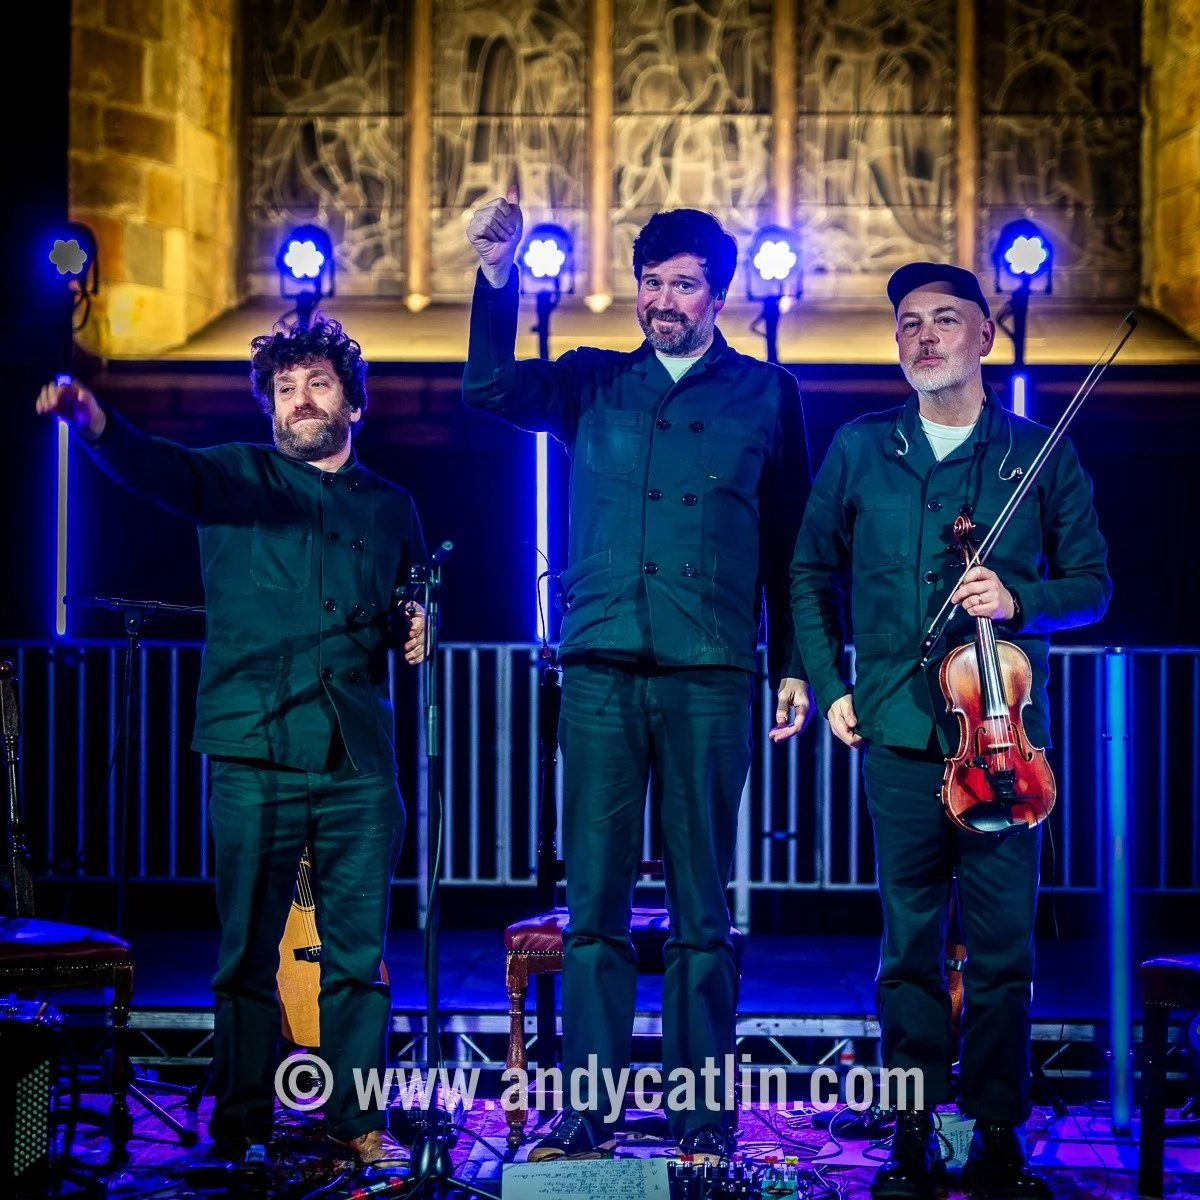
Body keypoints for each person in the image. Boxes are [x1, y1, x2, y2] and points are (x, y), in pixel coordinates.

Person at [463, 189, 813, 1161]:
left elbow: (791, 547)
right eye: (652, 282)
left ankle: (703, 1119)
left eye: (685, 285)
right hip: (602, 665)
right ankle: (586, 1111)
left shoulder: (769, 396)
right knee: (595, 907)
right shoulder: (588, 382)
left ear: (719, 294)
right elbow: (489, 391)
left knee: (704, 910)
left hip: (710, 671)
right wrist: (494, 279)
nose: (665, 300)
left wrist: (791, 666)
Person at [35, 317, 428, 1167]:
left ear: (352, 401)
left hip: (359, 759)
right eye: (285, 389)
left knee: (357, 961)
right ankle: (242, 1126)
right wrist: (92, 421)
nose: (299, 401)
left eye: (317, 383)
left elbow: (416, 595)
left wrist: (423, 620)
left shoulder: (393, 505)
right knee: (245, 955)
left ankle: (357, 1122)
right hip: (254, 746)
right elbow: (153, 468)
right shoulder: (233, 477)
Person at [773, 262, 1111, 1198]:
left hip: (1001, 745)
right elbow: (809, 571)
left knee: (1003, 951)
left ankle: (998, 1131)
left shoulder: (1038, 454)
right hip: (896, 733)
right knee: (907, 945)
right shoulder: (857, 448)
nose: (925, 337)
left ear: (985, 337)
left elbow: (1093, 585)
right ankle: (913, 1127)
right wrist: (830, 680)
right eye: (909, 324)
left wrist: (1020, 595)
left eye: (946, 320)